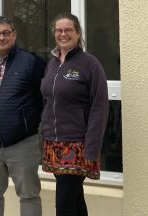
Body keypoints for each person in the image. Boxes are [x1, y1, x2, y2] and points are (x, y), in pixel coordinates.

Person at [0, 15, 47, 216]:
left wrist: (25, 120)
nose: (2, 38)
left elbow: (44, 98)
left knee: (29, 196)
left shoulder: (32, 62)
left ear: (14, 34)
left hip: (23, 143)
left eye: (6, 33)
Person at [40, 13, 109, 216]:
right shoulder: (52, 63)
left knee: (64, 204)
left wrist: (92, 147)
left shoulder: (90, 64)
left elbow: (99, 107)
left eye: (68, 30)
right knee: (75, 200)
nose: (63, 34)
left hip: (78, 145)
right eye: (59, 30)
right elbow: (47, 100)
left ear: (78, 33)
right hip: (53, 143)